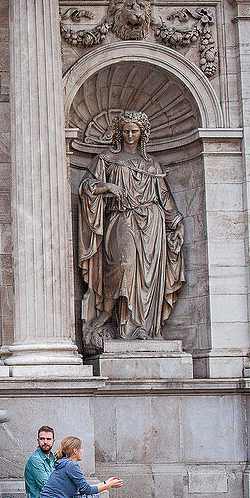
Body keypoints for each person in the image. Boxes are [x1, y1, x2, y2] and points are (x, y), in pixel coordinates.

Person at [78, 110, 185, 351]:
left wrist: (175, 221)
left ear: (142, 133)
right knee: (123, 266)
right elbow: (86, 187)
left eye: (134, 131)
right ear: (119, 132)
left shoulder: (153, 165)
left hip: (152, 223)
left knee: (147, 276)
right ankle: (109, 314)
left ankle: (144, 328)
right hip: (121, 218)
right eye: (125, 130)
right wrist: (108, 186)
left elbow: (164, 197)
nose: (129, 135)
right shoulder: (106, 159)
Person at [24, 425, 56, 498]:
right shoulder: (35, 460)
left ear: (53, 441)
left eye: (48, 439)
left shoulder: (53, 458)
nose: (45, 442)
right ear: (38, 441)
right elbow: (46, 487)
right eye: (42, 439)